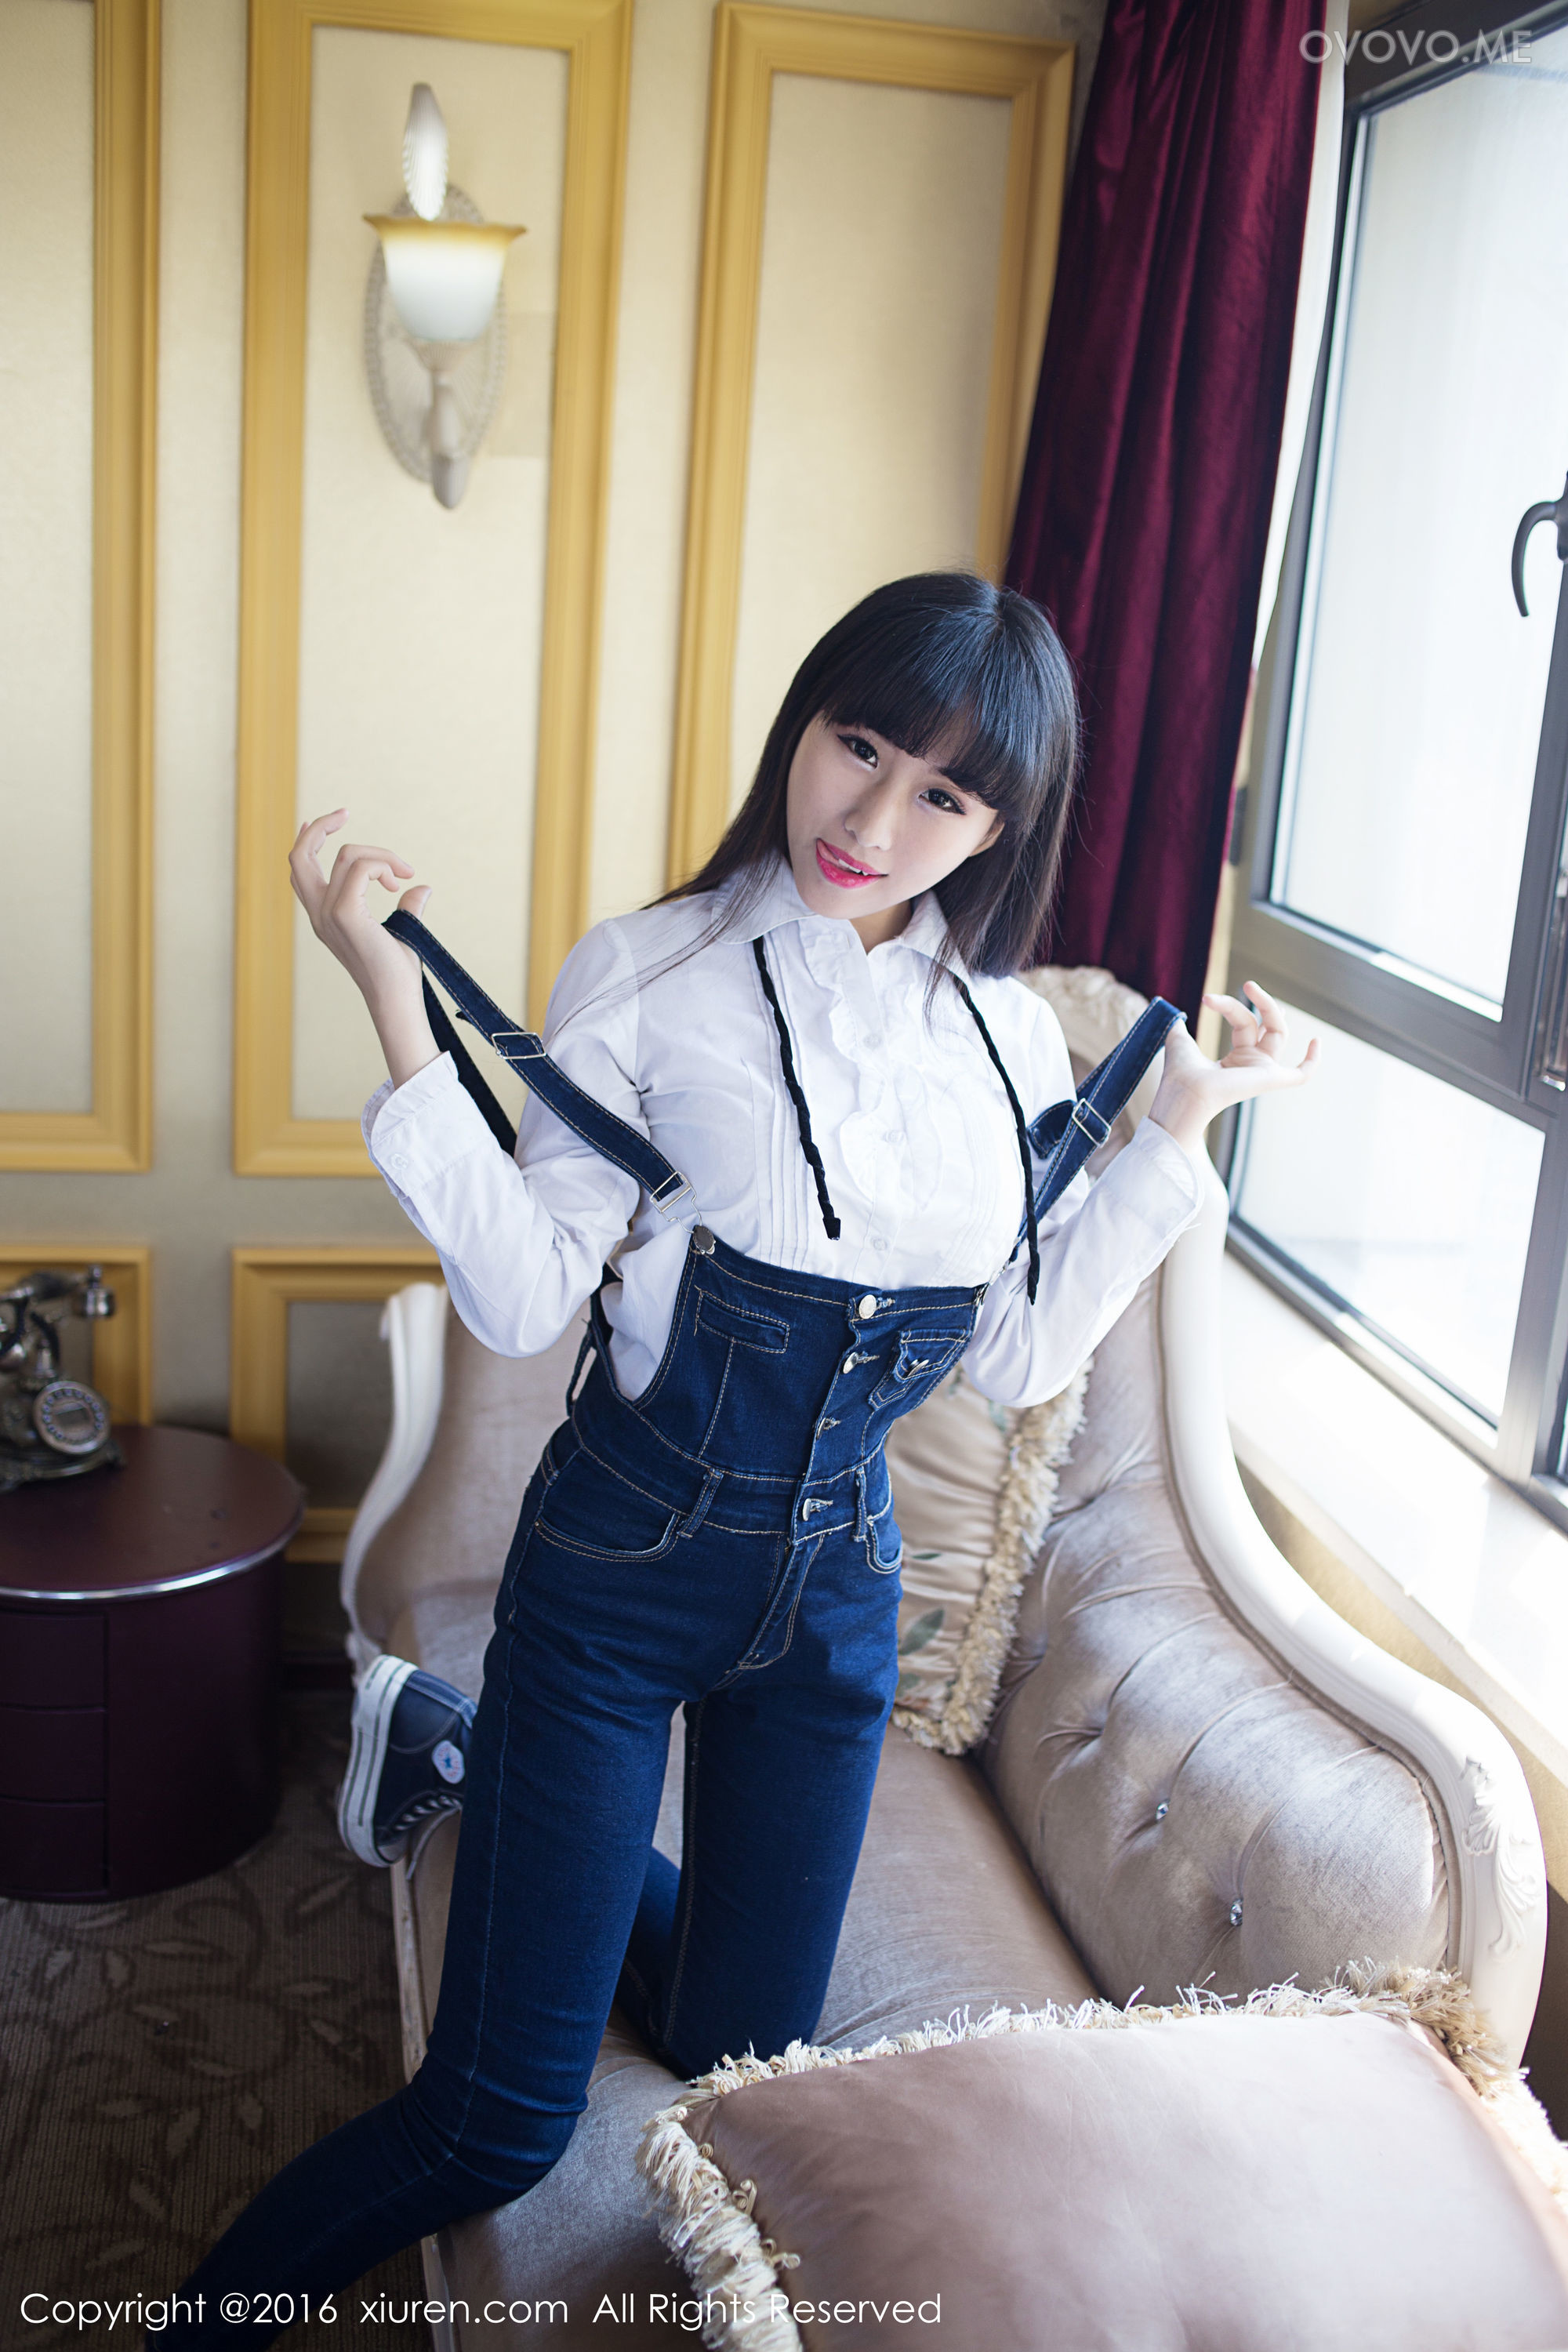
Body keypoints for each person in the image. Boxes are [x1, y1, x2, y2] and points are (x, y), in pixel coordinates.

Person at [161, 572, 1316, 2341]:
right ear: (803, 725)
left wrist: (1177, 1126)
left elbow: (1016, 1354)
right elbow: (529, 1291)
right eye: (857, 747)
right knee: (492, 2125)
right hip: (620, 1575)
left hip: (836, 1603)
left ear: (999, 826)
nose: (874, 819)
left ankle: (457, 1753)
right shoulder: (650, 971)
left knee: (738, 2049)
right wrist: (392, 999)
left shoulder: (1009, 1038)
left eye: (942, 792)